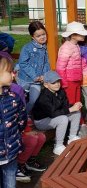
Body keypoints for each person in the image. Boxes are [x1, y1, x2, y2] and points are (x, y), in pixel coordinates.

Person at [33, 71, 82, 156]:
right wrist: (70, 109)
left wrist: (74, 106)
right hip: (42, 121)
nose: (57, 84)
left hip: (55, 116)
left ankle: (72, 137)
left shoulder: (60, 91)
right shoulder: (44, 96)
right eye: (53, 83)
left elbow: (65, 106)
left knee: (76, 112)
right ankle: (58, 146)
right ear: (46, 85)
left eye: (58, 81)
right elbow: (52, 113)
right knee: (63, 119)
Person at [0, 54, 27, 188]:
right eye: (10, 71)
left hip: (11, 152)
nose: (14, 74)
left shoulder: (14, 97)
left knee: (10, 182)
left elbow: (22, 119)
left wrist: (16, 137)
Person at [17, 21, 50, 114]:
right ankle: (17, 116)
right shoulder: (27, 48)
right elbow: (23, 63)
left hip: (37, 82)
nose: (42, 37)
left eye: (43, 34)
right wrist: (34, 75)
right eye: (38, 36)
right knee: (20, 100)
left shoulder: (46, 48)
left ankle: (25, 116)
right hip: (25, 80)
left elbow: (46, 63)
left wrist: (44, 76)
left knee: (33, 100)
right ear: (32, 37)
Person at [56, 21, 87, 106]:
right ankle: (71, 118)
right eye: (81, 34)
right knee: (70, 103)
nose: (84, 36)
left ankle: (78, 118)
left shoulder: (76, 46)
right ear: (73, 35)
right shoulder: (66, 48)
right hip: (69, 81)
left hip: (76, 79)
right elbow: (60, 67)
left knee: (77, 102)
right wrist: (63, 83)